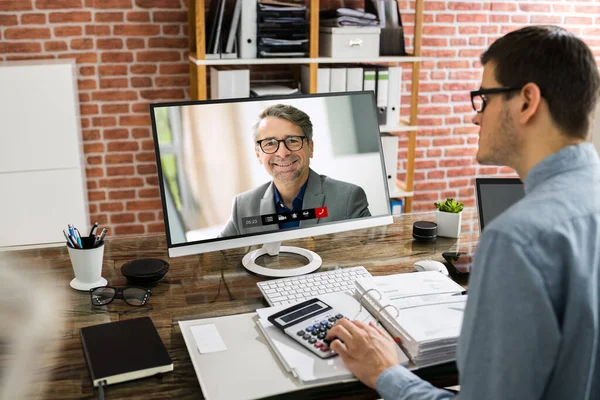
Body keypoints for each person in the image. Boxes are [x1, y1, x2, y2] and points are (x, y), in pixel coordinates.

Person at [326, 25, 600, 399]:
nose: (476, 117)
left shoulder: (517, 239)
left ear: (526, 102)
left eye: (484, 98)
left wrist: (386, 372)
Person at [219, 104, 371, 237]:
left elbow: (372, 253)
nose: (283, 153)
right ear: (258, 154)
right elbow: (216, 255)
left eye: (292, 141)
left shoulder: (348, 199)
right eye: (270, 143)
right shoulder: (243, 206)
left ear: (310, 148)